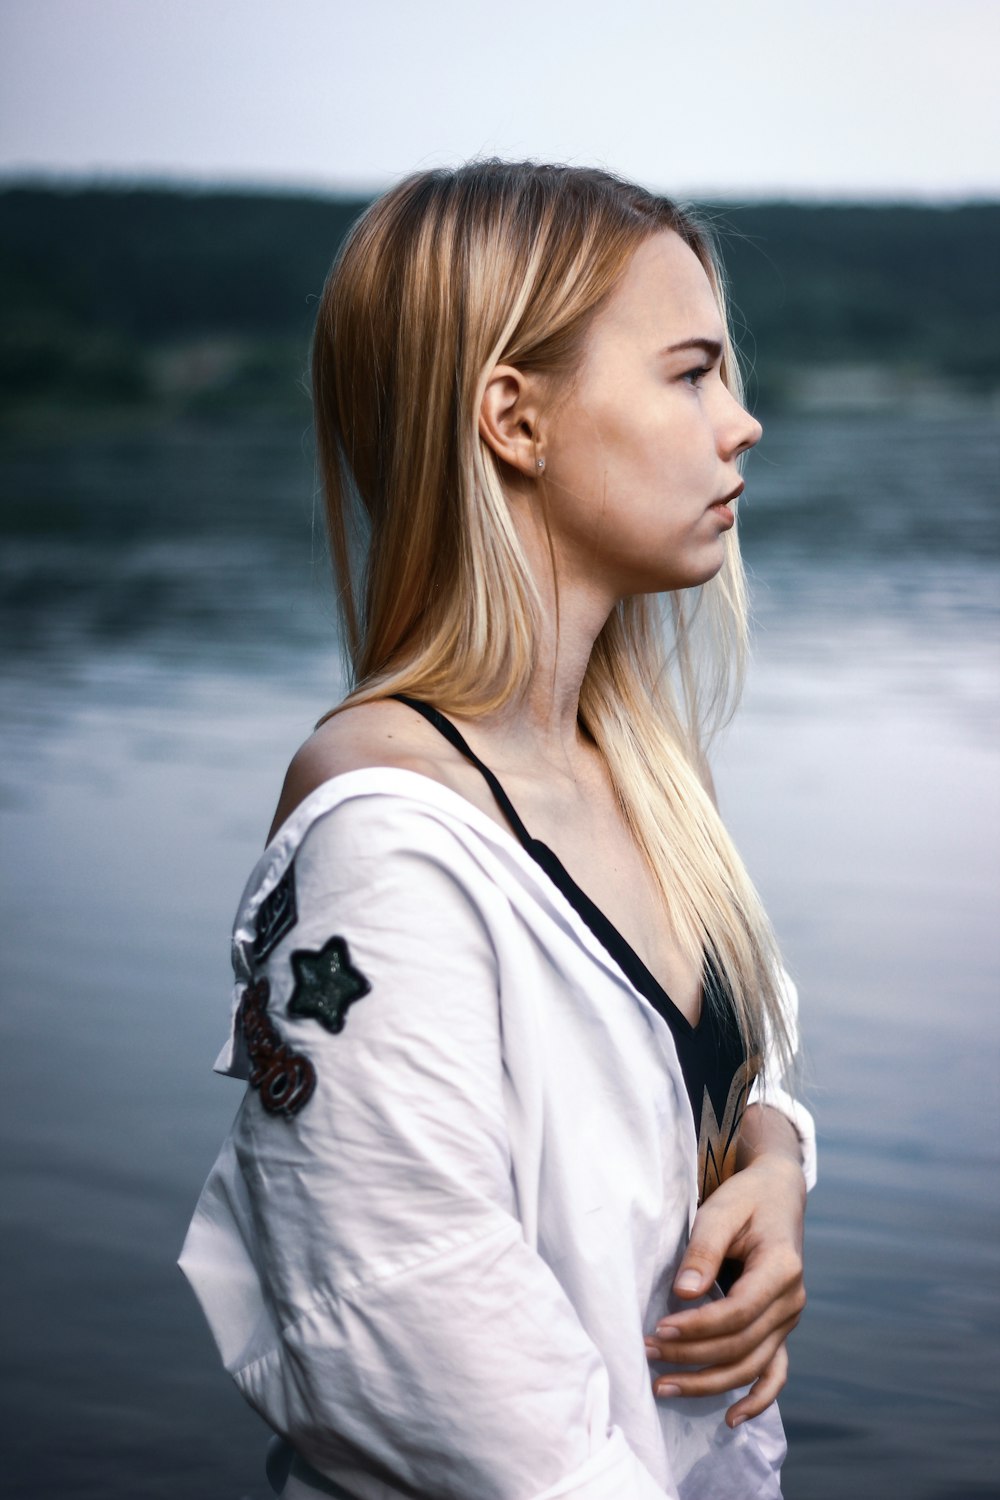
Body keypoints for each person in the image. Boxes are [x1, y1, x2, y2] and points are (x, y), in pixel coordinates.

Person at [179, 160, 816, 1500]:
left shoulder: (628, 770)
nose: (742, 422)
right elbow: (414, 1326)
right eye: (691, 373)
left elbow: (707, 1055)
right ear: (514, 420)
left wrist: (773, 1153)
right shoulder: (387, 844)